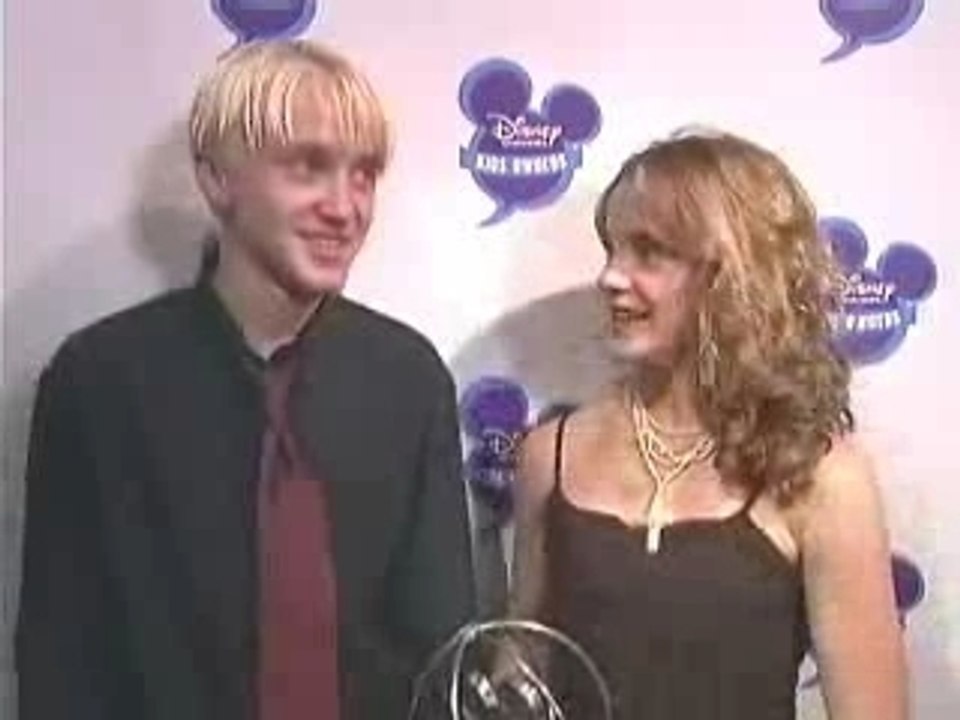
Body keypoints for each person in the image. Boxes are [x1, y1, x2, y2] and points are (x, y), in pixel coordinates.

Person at [16, 39, 475, 720]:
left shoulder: (408, 379)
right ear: (216, 179)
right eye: (309, 167)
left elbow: (442, 643)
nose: (344, 207)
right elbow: (62, 654)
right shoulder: (98, 384)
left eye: (364, 175)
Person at [508, 129, 907, 719]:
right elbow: (520, 675)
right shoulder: (550, 454)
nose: (611, 277)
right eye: (612, 248)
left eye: (649, 251)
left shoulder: (822, 476)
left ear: (732, 274)